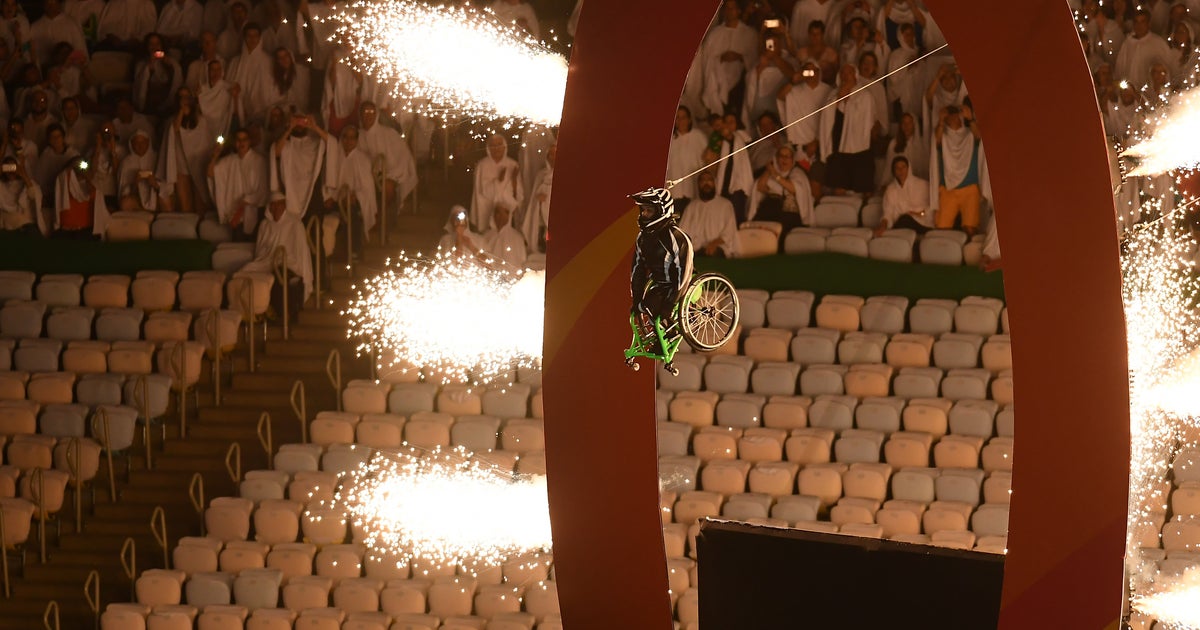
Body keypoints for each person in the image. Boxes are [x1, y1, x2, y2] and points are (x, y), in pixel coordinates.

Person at [629, 187, 692, 354]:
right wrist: (635, 299)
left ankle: (669, 333)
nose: (644, 214)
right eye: (643, 210)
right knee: (643, 306)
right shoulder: (642, 238)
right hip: (660, 285)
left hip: (680, 285)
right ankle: (664, 334)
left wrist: (671, 302)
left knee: (653, 308)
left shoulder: (676, 237)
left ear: (662, 210)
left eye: (649, 211)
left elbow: (683, 271)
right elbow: (638, 269)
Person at [239, 191, 311, 317]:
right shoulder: (264, 225)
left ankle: (281, 315)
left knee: (279, 277)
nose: (276, 207)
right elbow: (260, 251)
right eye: (273, 204)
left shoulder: (295, 224)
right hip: (265, 262)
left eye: (279, 204)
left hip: (288, 263)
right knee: (243, 271)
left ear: (284, 206)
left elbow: (301, 253)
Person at [819, 64, 879, 195]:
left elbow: (867, 119)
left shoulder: (865, 95)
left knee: (863, 188)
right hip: (838, 145)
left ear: (855, 75)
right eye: (843, 74)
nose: (846, 76)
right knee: (839, 187)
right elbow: (826, 116)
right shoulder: (833, 94)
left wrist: (849, 99)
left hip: (861, 148)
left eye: (849, 73)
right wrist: (840, 98)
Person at [322, 124, 376, 256]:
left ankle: (354, 251)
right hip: (335, 199)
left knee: (352, 212)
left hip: (352, 201)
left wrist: (354, 196)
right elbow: (325, 180)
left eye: (352, 138)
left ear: (357, 140)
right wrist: (327, 196)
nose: (348, 141)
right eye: (345, 137)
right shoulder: (334, 157)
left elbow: (366, 187)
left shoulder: (362, 159)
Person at [158, 88, 214, 213]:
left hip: (198, 165)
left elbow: (206, 143)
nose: (184, 100)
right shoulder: (171, 121)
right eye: (181, 97)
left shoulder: (202, 120)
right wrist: (181, 112)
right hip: (181, 167)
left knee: (201, 204)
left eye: (187, 97)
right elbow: (175, 129)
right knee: (185, 205)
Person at [931, 104, 982, 236]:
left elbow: (980, 137)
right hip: (948, 190)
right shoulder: (943, 135)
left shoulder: (969, 133)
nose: (953, 117)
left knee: (970, 229)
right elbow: (936, 141)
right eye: (950, 115)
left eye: (955, 114)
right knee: (942, 229)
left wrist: (970, 119)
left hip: (969, 188)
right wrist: (941, 121)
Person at [357, 101, 417, 212]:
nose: (368, 115)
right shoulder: (356, 135)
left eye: (371, 112)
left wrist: (390, 173)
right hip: (363, 175)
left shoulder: (389, 133)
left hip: (386, 173)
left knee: (387, 186)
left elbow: (402, 157)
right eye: (365, 112)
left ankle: (380, 218)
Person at [701, 0, 757, 118]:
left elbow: (754, 59)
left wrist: (740, 57)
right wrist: (720, 58)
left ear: (738, 11)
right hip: (718, 78)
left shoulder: (749, 34)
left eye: (732, 8)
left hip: (740, 82)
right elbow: (707, 60)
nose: (729, 12)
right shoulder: (715, 34)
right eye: (727, 9)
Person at [208, 128, 267, 239]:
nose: (241, 143)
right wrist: (215, 156)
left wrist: (246, 203)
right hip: (235, 215)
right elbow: (211, 174)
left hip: (254, 212)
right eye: (238, 140)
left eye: (244, 139)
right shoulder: (229, 161)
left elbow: (263, 190)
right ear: (235, 143)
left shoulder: (259, 161)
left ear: (249, 141)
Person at [747, 143, 813, 230]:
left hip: (789, 216)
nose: (784, 159)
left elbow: (794, 189)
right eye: (781, 156)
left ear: (792, 159)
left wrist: (775, 175)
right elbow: (760, 187)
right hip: (770, 213)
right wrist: (769, 170)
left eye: (787, 156)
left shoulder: (797, 173)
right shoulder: (771, 171)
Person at [777, 60, 831, 162]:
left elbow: (829, 120)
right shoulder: (795, 90)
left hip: (820, 143)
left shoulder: (828, 91)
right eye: (806, 71)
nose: (809, 74)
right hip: (799, 143)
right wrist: (793, 81)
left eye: (812, 71)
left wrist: (817, 141)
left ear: (818, 72)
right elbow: (780, 97)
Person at [470, 134, 523, 234]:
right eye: (493, 145)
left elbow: (518, 191)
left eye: (499, 144)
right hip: (486, 208)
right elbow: (482, 192)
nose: (496, 148)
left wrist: (514, 181)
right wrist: (498, 181)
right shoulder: (482, 165)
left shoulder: (512, 164)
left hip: (507, 209)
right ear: (488, 148)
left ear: (504, 146)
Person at [679, 169, 738, 257]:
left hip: (718, 247)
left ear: (714, 183)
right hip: (695, 249)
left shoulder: (725, 205)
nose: (706, 183)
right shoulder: (691, 206)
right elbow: (683, 232)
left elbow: (729, 232)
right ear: (698, 184)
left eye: (709, 180)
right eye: (703, 180)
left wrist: (714, 244)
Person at [707, 112, 754, 221]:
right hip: (723, 188)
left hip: (738, 189)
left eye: (731, 122)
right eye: (725, 122)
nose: (727, 125)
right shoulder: (719, 141)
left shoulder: (740, 136)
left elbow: (733, 137)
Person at [226, 21, 273, 125]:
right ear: (244, 38)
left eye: (255, 36)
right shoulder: (235, 62)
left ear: (260, 37)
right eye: (249, 36)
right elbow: (228, 86)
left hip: (262, 113)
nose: (252, 39)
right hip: (237, 112)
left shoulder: (268, 61)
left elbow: (270, 90)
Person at [50, 157, 108, 238]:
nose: (81, 168)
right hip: (66, 232)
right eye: (80, 165)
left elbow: (91, 193)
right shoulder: (64, 184)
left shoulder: (94, 187)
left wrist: (86, 177)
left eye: (84, 165)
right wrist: (72, 165)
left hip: (86, 232)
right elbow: (62, 176)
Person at [876, 156, 931, 236]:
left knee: (905, 219)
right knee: (903, 220)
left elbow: (931, 208)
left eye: (903, 167)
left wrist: (919, 214)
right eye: (897, 168)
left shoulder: (922, 185)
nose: (900, 170)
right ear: (893, 171)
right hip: (901, 223)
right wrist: (882, 226)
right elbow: (888, 212)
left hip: (922, 223)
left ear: (909, 168)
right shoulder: (890, 189)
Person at [1116, 9, 1172, 88]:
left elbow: (1167, 69)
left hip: (1150, 92)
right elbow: (1120, 68)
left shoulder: (1158, 43)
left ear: (1148, 24)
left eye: (1142, 22)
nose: (1139, 25)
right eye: (1136, 22)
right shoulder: (1127, 43)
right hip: (1130, 92)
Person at [133, 32, 183, 116]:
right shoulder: (141, 64)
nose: (154, 47)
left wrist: (169, 68)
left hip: (167, 102)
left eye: (157, 44)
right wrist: (149, 68)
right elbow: (140, 86)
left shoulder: (171, 62)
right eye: (151, 44)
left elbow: (176, 81)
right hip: (149, 103)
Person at [665, 106, 708, 201]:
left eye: (683, 117)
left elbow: (707, 160)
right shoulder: (670, 139)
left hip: (694, 188)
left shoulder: (698, 136)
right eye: (678, 118)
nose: (680, 121)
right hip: (675, 191)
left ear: (689, 119)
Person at [29, 0, 86, 69]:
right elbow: (33, 55)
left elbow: (81, 52)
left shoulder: (71, 24)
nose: (50, 6)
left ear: (59, 3)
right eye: (48, 2)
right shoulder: (35, 27)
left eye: (53, 2)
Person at [521, 141, 554, 254]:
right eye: (550, 154)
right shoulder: (541, 174)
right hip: (542, 217)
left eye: (556, 153)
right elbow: (535, 199)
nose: (553, 157)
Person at [117, 129, 160, 210]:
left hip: (157, 199)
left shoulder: (157, 158)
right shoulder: (126, 163)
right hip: (137, 202)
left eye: (143, 142)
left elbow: (166, 187)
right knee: (125, 203)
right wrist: (135, 184)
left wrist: (155, 184)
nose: (140, 146)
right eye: (136, 143)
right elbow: (123, 192)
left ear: (148, 142)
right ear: (131, 144)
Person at [0, 156, 40, 233]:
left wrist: (24, 175)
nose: (11, 171)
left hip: (23, 223)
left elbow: (33, 194)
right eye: (7, 167)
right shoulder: (2, 186)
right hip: (5, 223)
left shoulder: (24, 184)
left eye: (13, 167)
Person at [481, 201, 527, 268]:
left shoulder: (517, 237)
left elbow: (521, 261)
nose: (501, 216)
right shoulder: (486, 236)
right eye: (498, 212)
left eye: (505, 213)